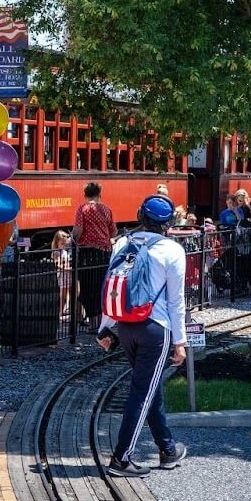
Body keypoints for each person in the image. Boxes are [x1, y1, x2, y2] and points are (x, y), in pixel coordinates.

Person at [97, 194, 188, 477]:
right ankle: (122, 459)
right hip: (154, 330)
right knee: (141, 393)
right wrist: (180, 341)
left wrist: (105, 327)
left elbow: (113, 286)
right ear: (168, 223)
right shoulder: (172, 251)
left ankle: (168, 449)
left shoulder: (123, 243)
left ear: (140, 216)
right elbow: (176, 301)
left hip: (125, 328)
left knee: (149, 389)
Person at [72, 182, 116, 329]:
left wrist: (73, 238)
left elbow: (78, 230)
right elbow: (114, 231)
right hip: (104, 253)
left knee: (87, 287)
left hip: (88, 253)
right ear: (99, 194)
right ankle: (101, 322)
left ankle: (93, 323)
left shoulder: (83, 209)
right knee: (101, 287)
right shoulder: (106, 209)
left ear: (85, 194)